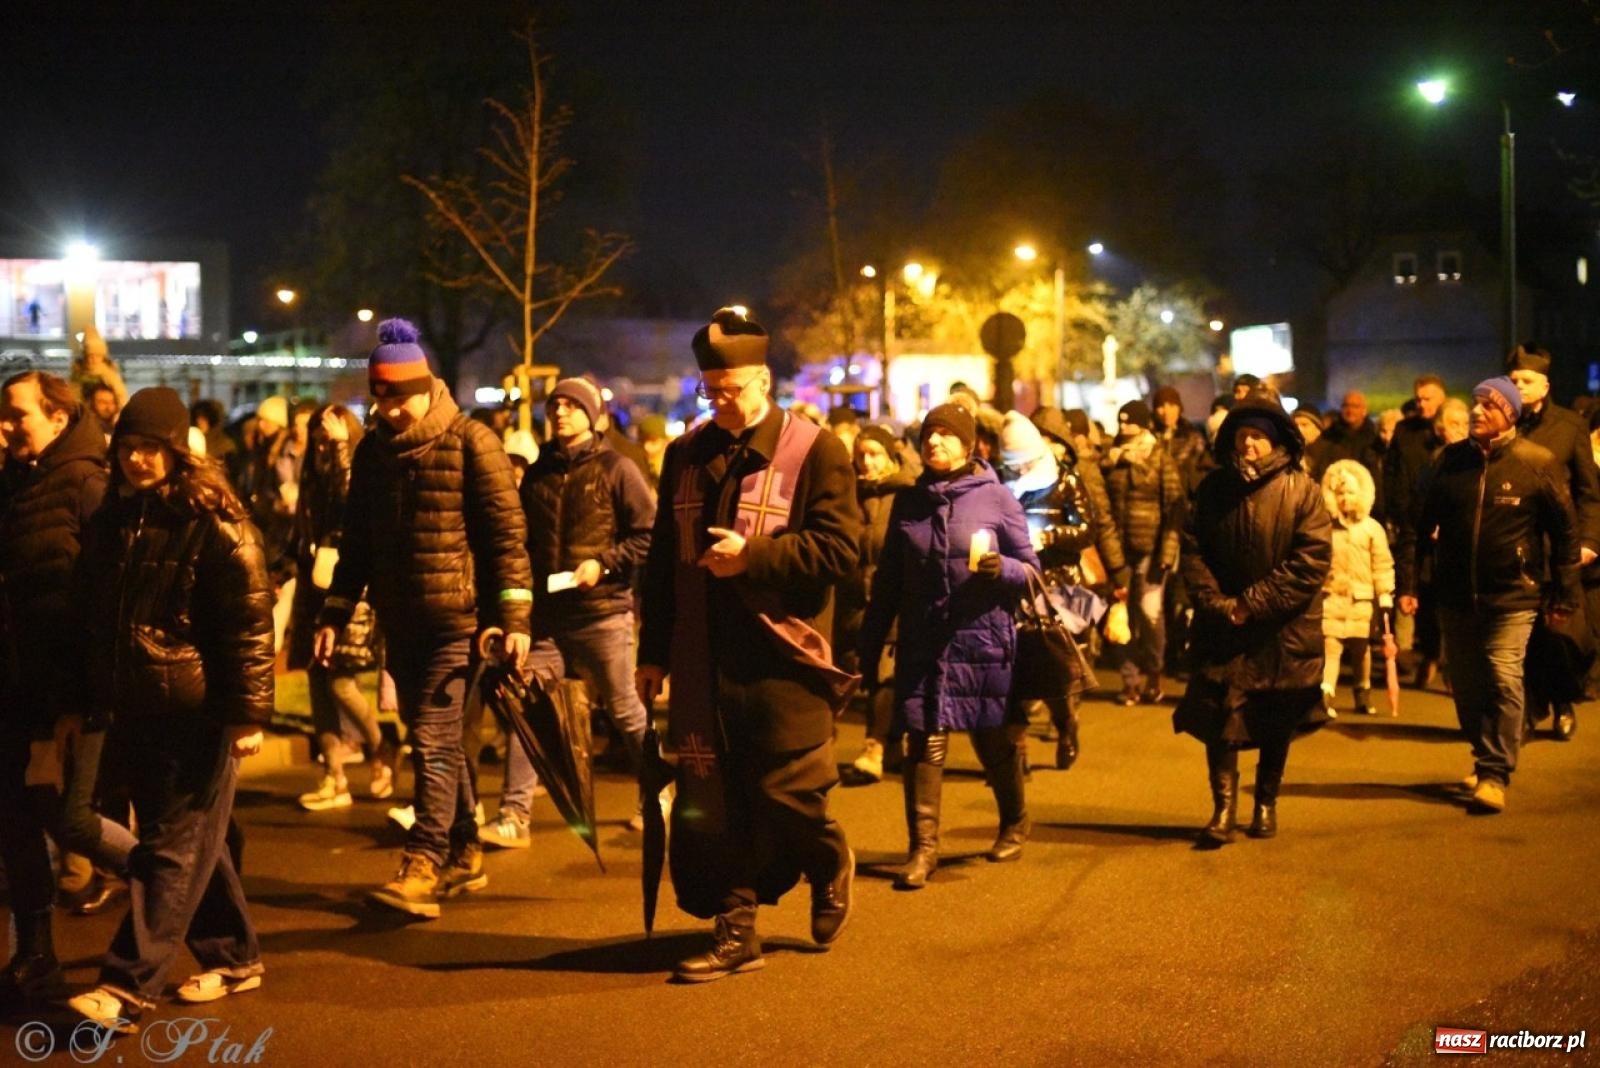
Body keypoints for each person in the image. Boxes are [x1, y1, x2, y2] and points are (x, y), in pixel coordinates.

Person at [636, 307, 859, 982]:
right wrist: (653, 651)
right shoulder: (686, 452)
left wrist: (754, 557)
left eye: (730, 387)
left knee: (787, 793)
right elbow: (662, 563)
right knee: (713, 801)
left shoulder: (815, 449)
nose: (719, 399)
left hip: (780, 659)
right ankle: (737, 935)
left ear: (763, 378)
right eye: (710, 387)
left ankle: (828, 860)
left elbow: (842, 548)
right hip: (703, 660)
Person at [69, 386, 273, 1031]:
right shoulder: (116, 518)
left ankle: (126, 987)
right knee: (189, 847)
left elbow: (248, 626)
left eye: (150, 449)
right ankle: (235, 956)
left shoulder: (214, 518)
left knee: (173, 850)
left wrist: (247, 715)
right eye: (127, 448)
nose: (136, 460)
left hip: (199, 713)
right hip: (138, 709)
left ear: (177, 451)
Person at [314, 318, 533, 919]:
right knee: (437, 741)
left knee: (434, 741)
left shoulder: (472, 442)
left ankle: (424, 860)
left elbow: (507, 540)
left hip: (458, 623)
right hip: (400, 620)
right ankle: (465, 851)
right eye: (378, 399)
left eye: (399, 399)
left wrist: (513, 619)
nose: (388, 412)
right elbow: (355, 541)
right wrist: (335, 610)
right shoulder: (374, 453)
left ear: (427, 387)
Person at [860, 403, 1040, 889]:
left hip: (982, 640)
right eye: (927, 436)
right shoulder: (908, 502)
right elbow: (889, 585)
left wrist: (999, 569)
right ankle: (923, 850)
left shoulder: (998, 498)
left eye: (944, 435)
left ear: (968, 444)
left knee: (992, 741)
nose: (934, 442)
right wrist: (867, 645)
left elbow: (1031, 572)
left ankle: (1015, 820)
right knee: (924, 743)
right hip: (923, 641)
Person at [0, 372, 135, 1010]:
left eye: (16, 416)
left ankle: (184, 884)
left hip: (68, 693)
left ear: (57, 417)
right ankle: (34, 955)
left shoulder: (88, 484)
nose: (5, 426)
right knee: (17, 821)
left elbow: (106, 600)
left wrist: (86, 698)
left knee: (70, 818)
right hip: (20, 684)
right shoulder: (21, 481)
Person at [485, 377, 656, 848]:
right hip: (547, 618)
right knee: (529, 709)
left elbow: (648, 534)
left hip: (602, 613)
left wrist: (602, 563)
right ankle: (513, 815)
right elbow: (520, 546)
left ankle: (658, 792)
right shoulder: (539, 473)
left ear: (591, 414)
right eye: (554, 405)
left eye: (570, 405)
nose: (559, 412)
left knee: (624, 708)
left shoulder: (618, 469)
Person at [1398, 377, 1579, 813]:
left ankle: (1495, 773)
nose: (1477, 412)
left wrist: (1565, 592)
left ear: (1510, 415)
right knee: (1468, 686)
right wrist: (1409, 585)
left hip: (1514, 595)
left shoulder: (1537, 463)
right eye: (1476, 403)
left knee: (1502, 675)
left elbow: (1566, 532)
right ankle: (1485, 759)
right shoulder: (1449, 463)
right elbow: (1418, 528)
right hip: (1456, 595)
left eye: (1489, 405)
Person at [1173, 388, 1332, 844]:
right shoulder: (1213, 489)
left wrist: (1253, 604)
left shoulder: (1303, 492)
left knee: (1274, 719)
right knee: (1221, 719)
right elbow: (1194, 549)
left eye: (1259, 436)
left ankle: (1265, 802)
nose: (1249, 445)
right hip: (1223, 627)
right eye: (1243, 435)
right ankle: (1223, 810)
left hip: (1281, 631)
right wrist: (1218, 604)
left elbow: (1310, 562)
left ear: (1278, 440)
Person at [1002, 410, 1124, 768]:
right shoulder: (1002, 484)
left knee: (1054, 669)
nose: (1020, 470)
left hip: (1060, 583)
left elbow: (1089, 528)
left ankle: (1066, 722)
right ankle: (1016, 751)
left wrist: (1051, 536)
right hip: (1016, 583)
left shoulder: (1066, 481)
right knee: (1014, 671)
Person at [289, 405, 392, 811]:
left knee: (340, 682)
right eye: (317, 437)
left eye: (326, 436)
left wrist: (342, 448)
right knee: (318, 683)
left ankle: (384, 747)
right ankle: (334, 775)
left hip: (348, 587)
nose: (319, 444)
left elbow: (348, 506)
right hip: (313, 585)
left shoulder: (355, 465)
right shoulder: (313, 475)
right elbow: (304, 529)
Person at [1506, 344, 1600, 740]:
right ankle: (1527, 710)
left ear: (1544, 385)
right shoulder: (1503, 423)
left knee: (1560, 635)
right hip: (1514, 547)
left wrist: (1590, 539)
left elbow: (1588, 491)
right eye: (1512, 381)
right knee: (1520, 634)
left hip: (1559, 548)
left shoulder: (1569, 426)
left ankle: (1562, 700)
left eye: (1526, 381)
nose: (1518, 387)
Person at [838, 424, 915, 784]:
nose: (867, 462)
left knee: (886, 674)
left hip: (896, 601)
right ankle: (893, 741)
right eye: (861, 455)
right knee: (862, 673)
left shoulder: (907, 494)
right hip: (855, 602)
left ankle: (875, 747)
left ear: (890, 456)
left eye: (874, 454)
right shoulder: (846, 497)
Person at [1104, 400, 1184, 705]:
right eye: (1121, 422)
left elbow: (1174, 508)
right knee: (1121, 616)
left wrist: (1167, 553)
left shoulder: (1159, 458)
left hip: (1151, 550)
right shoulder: (1110, 459)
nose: (1123, 427)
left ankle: (1154, 672)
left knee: (1150, 613)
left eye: (1130, 422)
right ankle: (1129, 681)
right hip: (1118, 549)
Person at [1319, 460, 1395, 717]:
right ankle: (1326, 692)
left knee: (1361, 651)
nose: (1345, 498)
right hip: (1331, 598)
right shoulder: (1326, 529)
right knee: (1331, 647)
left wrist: (1384, 592)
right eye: (1340, 493)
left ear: (1362, 494)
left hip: (1362, 600)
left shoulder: (1372, 529)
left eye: (1350, 492)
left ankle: (1362, 691)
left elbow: (1382, 564)